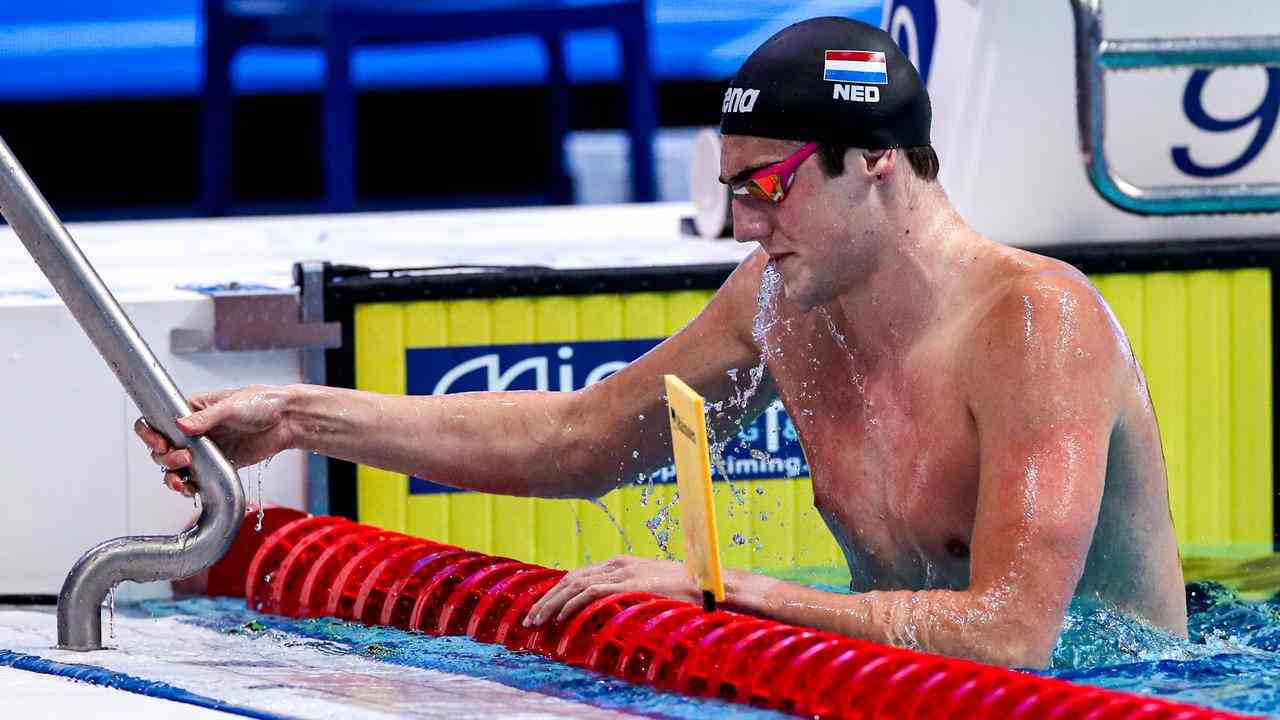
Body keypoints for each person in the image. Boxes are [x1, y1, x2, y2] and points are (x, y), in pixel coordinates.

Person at [135, 17, 1186, 667]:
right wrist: (297, 417)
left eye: (764, 188)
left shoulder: (1035, 324)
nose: (742, 225)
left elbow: (1015, 637)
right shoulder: (783, 305)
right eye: (730, 191)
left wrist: (728, 591)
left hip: (1133, 701)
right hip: (895, 693)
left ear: (872, 163)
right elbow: (575, 439)